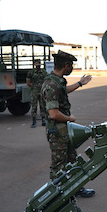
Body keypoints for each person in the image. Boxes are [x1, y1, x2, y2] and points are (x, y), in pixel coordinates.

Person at [41, 50, 95, 198]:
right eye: (71, 66)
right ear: (66, 66)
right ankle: (55, 195)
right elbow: (53, 113)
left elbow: (64, 90)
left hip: (65, 130)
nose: (71, 68)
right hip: (57, 132)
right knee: (59, 165)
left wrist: (80, 83)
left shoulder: (58, 81)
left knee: (72, 160)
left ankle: (76, 188)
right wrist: (70, 119)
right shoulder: (51, 84)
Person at [26, 59, 48, 128]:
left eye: (38, 63)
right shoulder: (31, 72)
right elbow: (28, 82)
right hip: (34, 91)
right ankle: (34, 121)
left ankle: (43, 120)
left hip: (42, 91)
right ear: (34, 64)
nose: (37, 64)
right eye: (36, 63)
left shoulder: (44, 72)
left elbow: (47, 80)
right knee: (34, 106)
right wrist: (32, 87)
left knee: (43, 105)